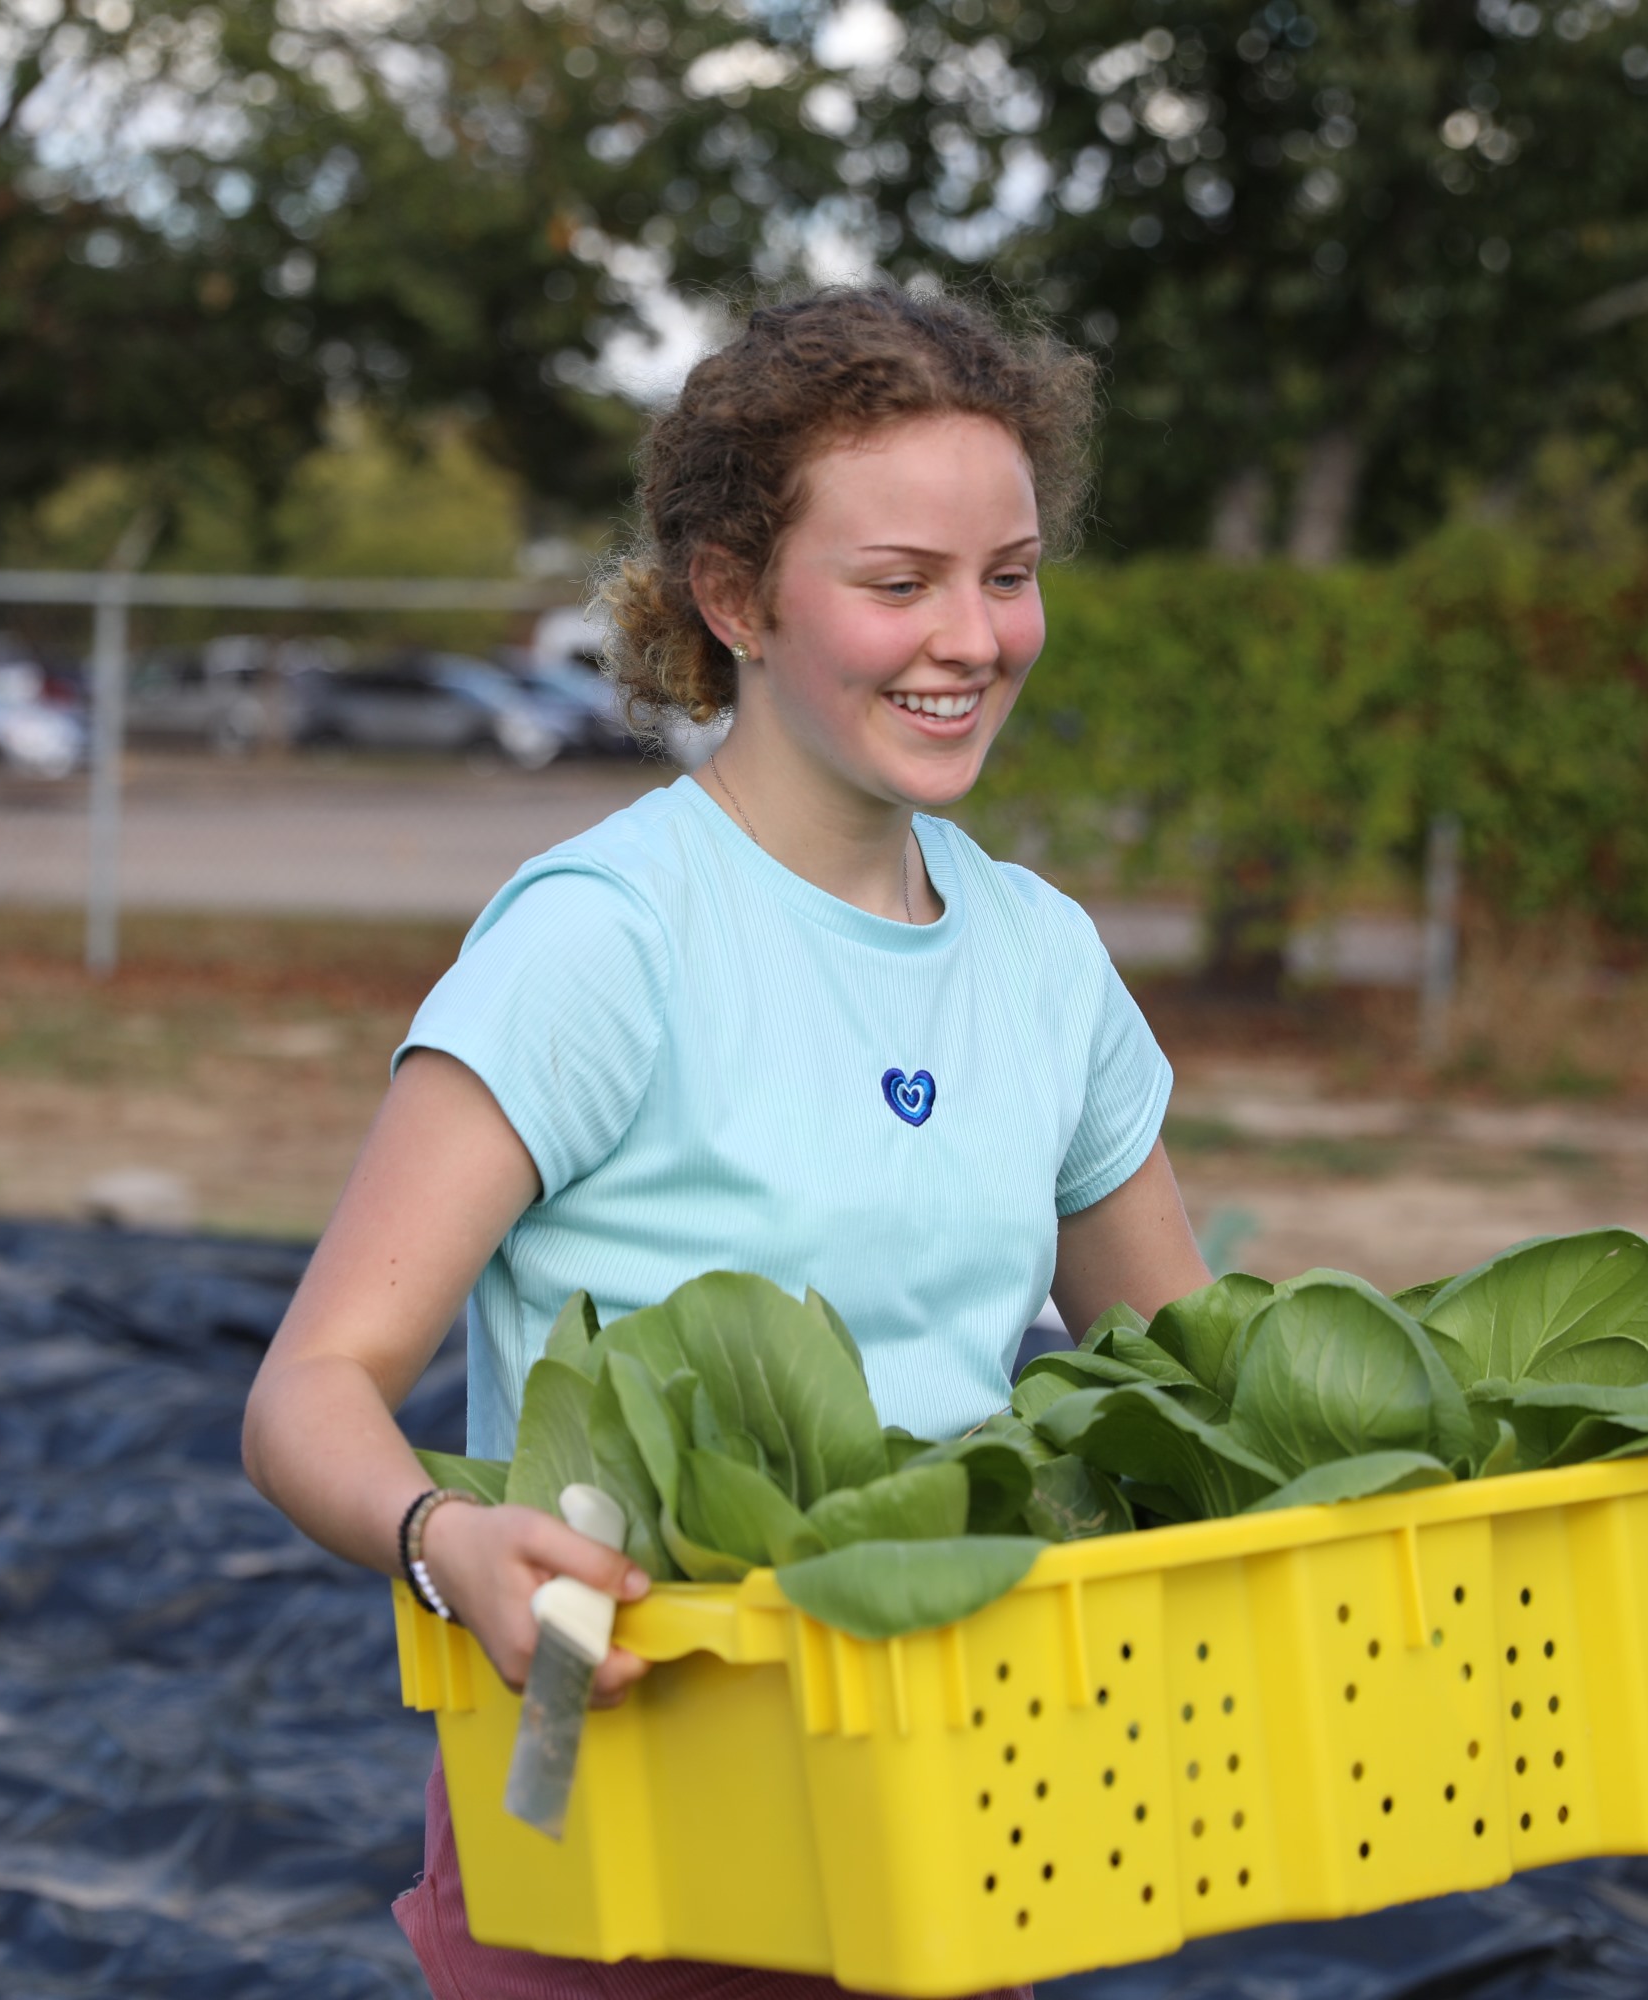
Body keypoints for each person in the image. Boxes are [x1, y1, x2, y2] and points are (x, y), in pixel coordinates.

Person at [241, 285, 1213, 1999]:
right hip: (611, 1795)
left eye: (1008, 574)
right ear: (736, 598)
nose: (973, 637)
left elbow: (1193, 1389)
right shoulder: (604, 937)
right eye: (899, 583)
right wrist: (445, 1539)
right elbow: (308, 1392)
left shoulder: (1046, 961)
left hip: (935, 1800)